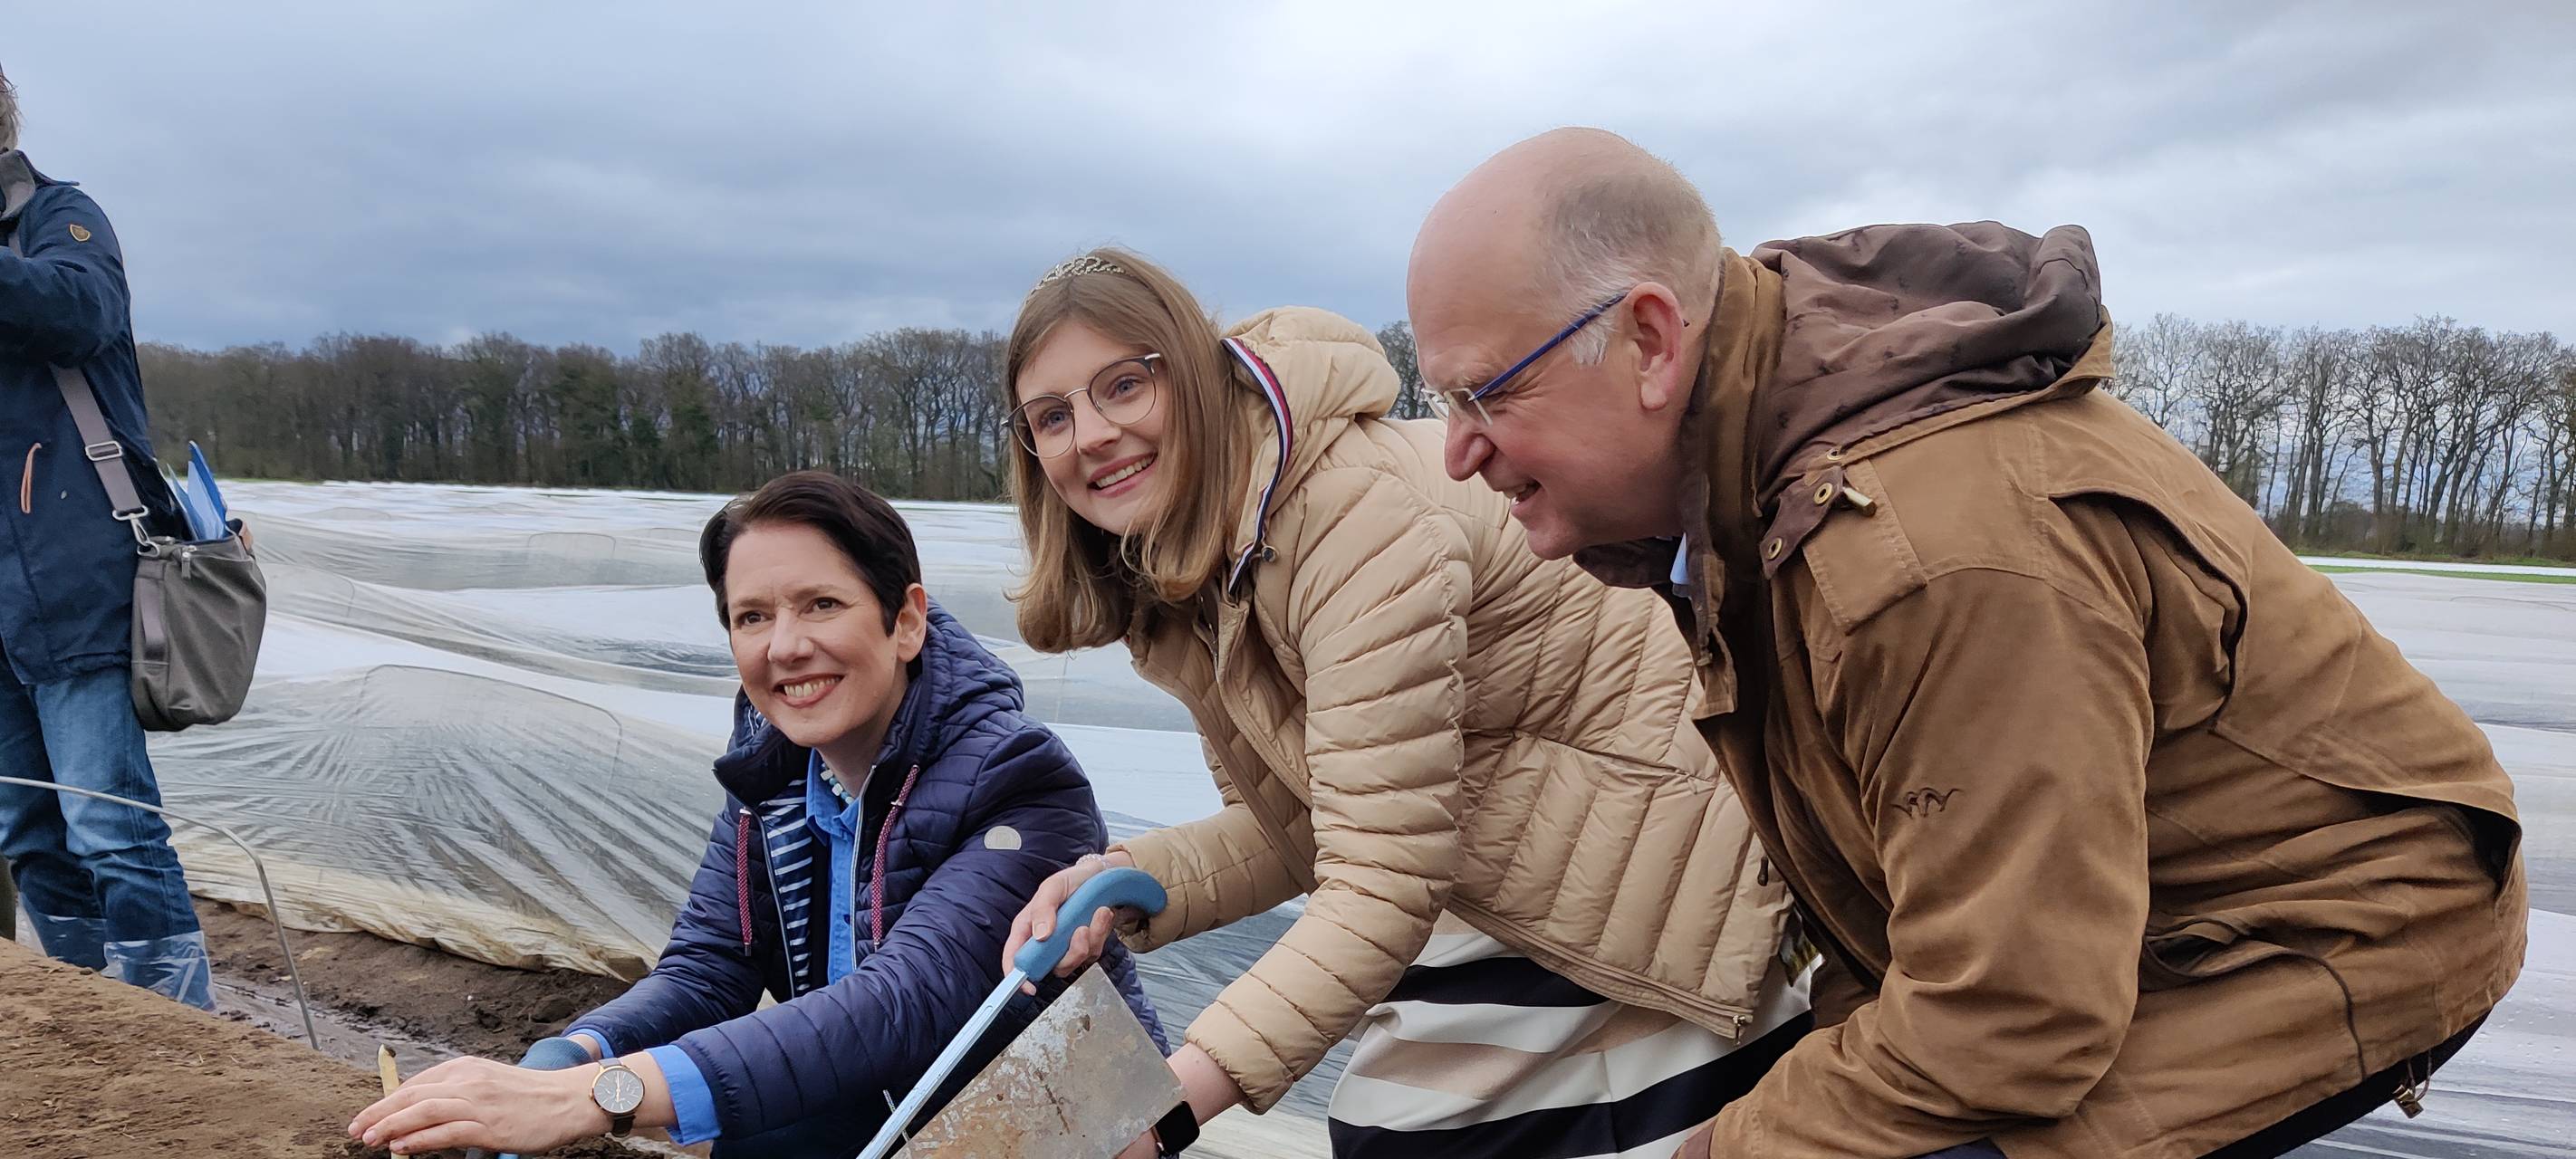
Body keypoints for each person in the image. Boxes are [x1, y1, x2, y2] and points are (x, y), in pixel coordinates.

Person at [1405, 127, 2527, 1159]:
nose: (1456, 452)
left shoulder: (1922, 554)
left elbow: (2008, 1021)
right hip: (2114, 926)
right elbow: (1903, 912)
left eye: (1481, 393)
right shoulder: (1747, 483)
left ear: (1651, 340)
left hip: (2324, 924)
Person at [998, 249, 1806, 1159]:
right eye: (1052, 416)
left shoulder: (1346, 510)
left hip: (1665, 856)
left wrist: (1159, 1109)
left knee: (1397, 1128)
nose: (1093, 433)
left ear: (1189, 371)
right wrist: (1125, 881)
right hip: (1528, 859)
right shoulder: (1195, 569)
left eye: (1124, 385)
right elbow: (1308, 823)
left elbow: (1382, 876)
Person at [351, 472, 1166, 1158]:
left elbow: (905, 1001)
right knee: (763, 1126)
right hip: (880, 1096)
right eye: (752, 617)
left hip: (1054, 1120)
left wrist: (601, 1095)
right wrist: (571, 1054)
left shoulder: (1019, 778)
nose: (785, 647)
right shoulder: (773, 779)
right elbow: (710, 967)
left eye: (821, 605)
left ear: (907, 620)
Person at [0, 62, 214, 1010]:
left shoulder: (61, 216)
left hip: (76, 568)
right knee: (28, 829)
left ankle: (174, 1027)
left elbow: (77, 309)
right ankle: (87, 1016)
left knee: (109, 823)